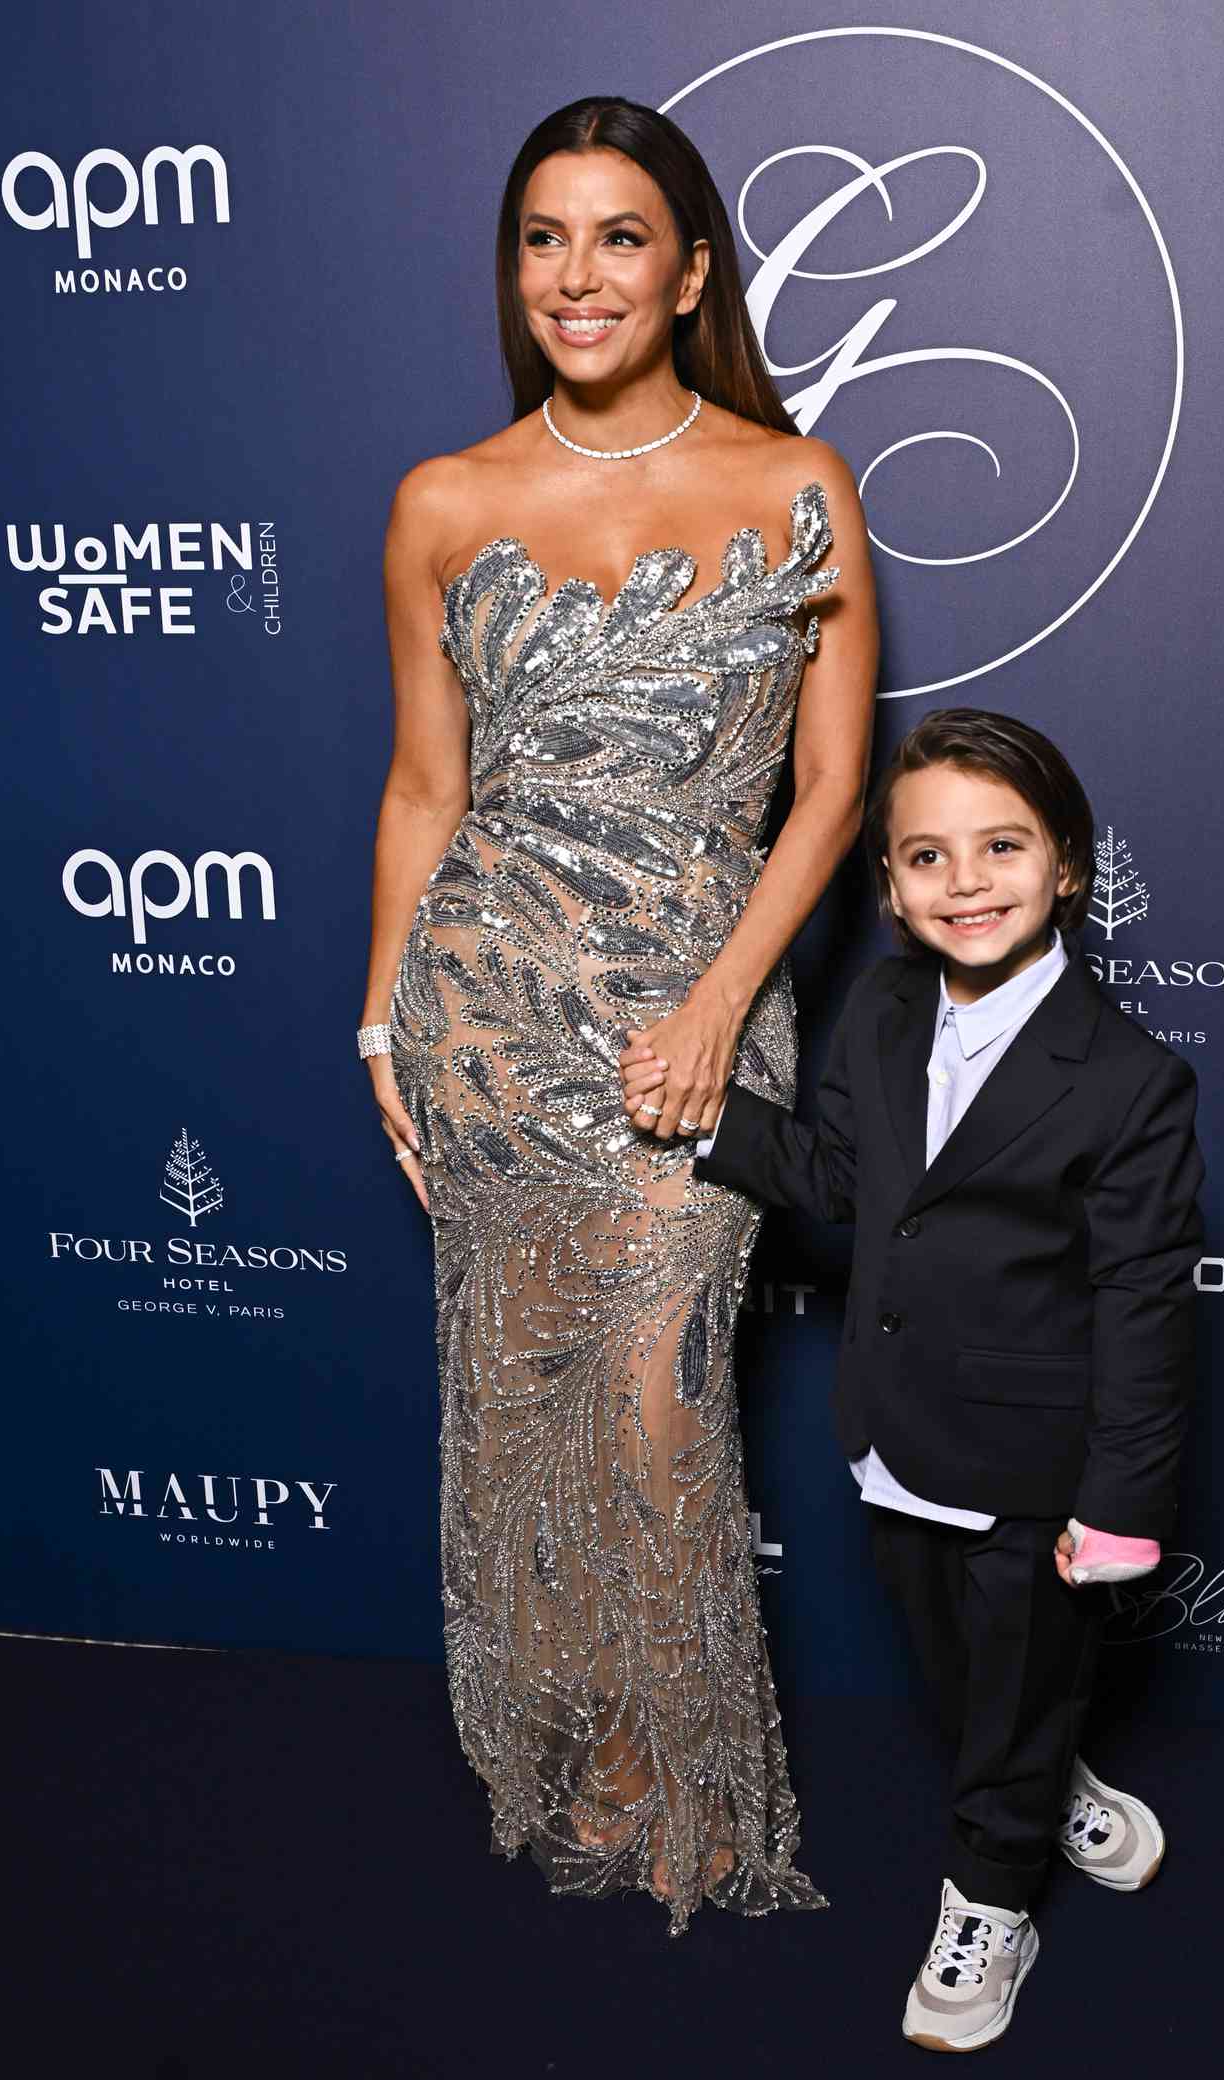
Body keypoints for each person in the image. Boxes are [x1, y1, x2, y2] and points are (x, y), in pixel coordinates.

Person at [358, 95, 877, 1933]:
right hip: (487, 1015)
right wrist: (382, 1025)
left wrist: (723, 1006)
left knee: (657, 1402)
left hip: (691, 1014)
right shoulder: (444, 500)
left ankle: (687, 1772)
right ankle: (595, 1756)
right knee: (521, 1405)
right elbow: (427, 788)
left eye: (620, 236)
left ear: (691, 269)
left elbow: (830, 793)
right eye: (544, 238)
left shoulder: (796, 483)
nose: (577, 276)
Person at [624, 709, 1204, 2033]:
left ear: (1066, 863)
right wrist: (708, 1118)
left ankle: (992, 1892)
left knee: (1018, 1693)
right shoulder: (884, 1010)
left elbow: (1144, 1307)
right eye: (928, 856)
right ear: (889, 884)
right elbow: (841, 1178)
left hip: (1036, 1472)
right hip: (893, 1437)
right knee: (966, 1682)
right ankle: (1044, 1779)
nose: (967, 882)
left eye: (1003, 846)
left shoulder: (1131, 1081)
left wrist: (1120, 1503)